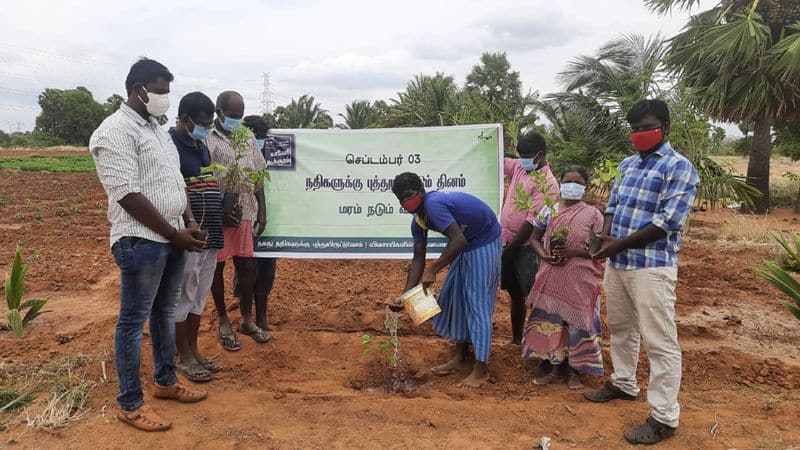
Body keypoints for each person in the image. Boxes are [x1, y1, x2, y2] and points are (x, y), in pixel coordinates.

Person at [89, 58, 207, 432]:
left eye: (167, 92)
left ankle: (165, 381)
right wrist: (174, 234)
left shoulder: (157, 130)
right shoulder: (114, 132)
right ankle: (130, 404)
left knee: (163, 312)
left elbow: (176, 182)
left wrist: (187, 222)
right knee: (132, 321)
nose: (165, 99)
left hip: (172, 235)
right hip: (141, 240)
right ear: (138, 90)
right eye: (160, 92)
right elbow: (126, 194)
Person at [585, 99, 699, 445]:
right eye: (634, 129)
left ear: (664, 127)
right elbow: (614, 206)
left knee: (659, 340)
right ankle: (623, 383)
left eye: (646, 127)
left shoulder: (679, 168)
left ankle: (664, 417)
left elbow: (668, 222)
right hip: (619, 265)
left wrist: (617, 244)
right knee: (621, 327)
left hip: (652, 266)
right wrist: (604, 234)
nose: (639, 134)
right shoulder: (628, 164)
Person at [392, 172, 501, 388]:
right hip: (465, 243)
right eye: (401, 198)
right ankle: (461, 358)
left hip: (483, 240)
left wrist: (433, 269)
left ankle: (481, 370)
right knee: (456, 298)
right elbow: (418, 259)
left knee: (477, 303)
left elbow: (458, 239)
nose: (406, 202)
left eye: (409, 195)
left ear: (421, 191)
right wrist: (404, 296)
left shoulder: (433, 204)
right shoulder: (418, 221)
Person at [521, 165, 604, 389]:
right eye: (568, 181)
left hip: (581, 279)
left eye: (577, 182)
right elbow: (535, 238)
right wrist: (545, 256)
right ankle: (554, 365)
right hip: (552, 274)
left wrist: (574, 253)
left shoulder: (594, 215)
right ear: (560, 183)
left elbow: (598, 250)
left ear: (585, 187)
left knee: (578, 323)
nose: (572, 186)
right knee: (552, 321)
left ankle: (575, 369)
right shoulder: (549, 210)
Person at [169, 92, 225, 382]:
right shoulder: (170, 145)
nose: (207, 127)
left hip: (211, 231)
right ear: (185, 118)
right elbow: (178, 189)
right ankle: (183, 356)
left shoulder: (200, 144)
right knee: (184, 293)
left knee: (199, 296)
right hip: (189, 234)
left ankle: (193, 348)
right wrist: (190, 222)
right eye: (203, 123)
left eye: (210, 122)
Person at [206, 91, 269, 350]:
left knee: (247, 269)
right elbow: (203, 179)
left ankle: (246, 319)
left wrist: (262, 210)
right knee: (217, 269)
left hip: (245, 212)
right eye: (233, 115)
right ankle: (223, 320)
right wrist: (218, 209)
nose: (237, 120)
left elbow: (257, 175)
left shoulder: (247, 138)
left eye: (240, 116)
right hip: (218, 214)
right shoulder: (208, 140)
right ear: (219, 112)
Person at [500, 131, 558, 347]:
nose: (521, 158)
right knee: (515, 294)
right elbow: (497, 159)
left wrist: (510, 250)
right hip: (507, 242)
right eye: (520, 154)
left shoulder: (548, 184)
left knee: (534, 295)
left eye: (526, 155)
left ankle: (539, 345)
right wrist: (494, 136)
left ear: (539, 155)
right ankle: (516, 339)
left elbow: (533, 222)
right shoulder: (519, 167)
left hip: (525, 248)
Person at [232, 115, 277, 334]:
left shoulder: (272, 156)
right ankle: (246, 318)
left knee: (266, 271)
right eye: (255, 137)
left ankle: (262, 318)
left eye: (262, 138)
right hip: (242, 221)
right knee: (247, 270)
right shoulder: (235, 154)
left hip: (269, 224)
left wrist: (264, 213)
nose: (258, 141)